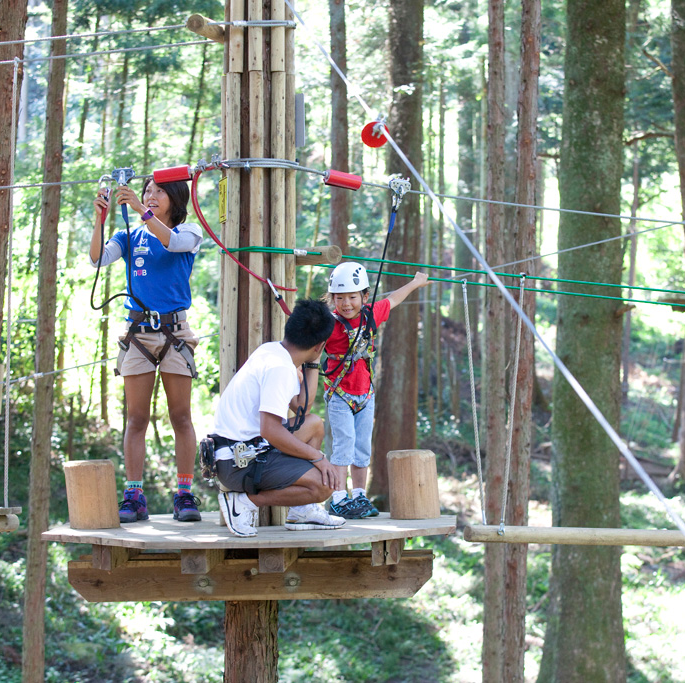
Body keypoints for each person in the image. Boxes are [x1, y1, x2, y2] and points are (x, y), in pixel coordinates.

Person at [90, 177, 204, 524]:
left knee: (180, 416)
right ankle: (134, 494)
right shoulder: (129, 236)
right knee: (136, 418)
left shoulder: (189, 232)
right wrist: (99, 220)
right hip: (138, 331)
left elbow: (170, 242)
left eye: (158, 191)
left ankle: (184, 492)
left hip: (174, 331)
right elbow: (97, 260)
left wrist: (141, 211)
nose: (151, 196)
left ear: (175, 198)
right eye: (147, 191)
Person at [209, 298, 345, 538]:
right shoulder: (279, 369)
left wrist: (312, 363)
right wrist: (318, 458)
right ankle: (245, 503)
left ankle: (302, 511)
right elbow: (270, 430)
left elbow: (302, 406)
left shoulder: (273, 351)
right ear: (320, 345)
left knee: (314, 425)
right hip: (238, 462)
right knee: (324, 485)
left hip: (246, 448)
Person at [321, 263, 430, 519]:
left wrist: (415, 283)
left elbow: (393, 299)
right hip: (339, 395)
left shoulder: (370, 314)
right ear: (332, 298)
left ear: (365, 296)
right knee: (344, 444)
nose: (346, 303)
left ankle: (358, 494)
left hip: (365, 395)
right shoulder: (328, 324)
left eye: (352, 297)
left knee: (361, 448)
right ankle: (338, 497)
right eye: (339, 298)